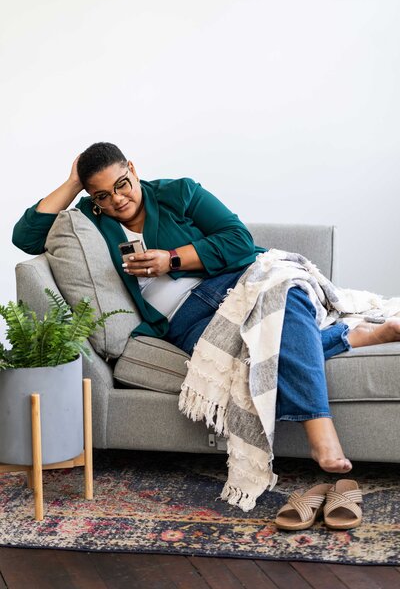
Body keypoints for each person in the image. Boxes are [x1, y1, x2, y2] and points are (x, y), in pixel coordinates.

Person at [12, 142, 400, 476]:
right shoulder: (90, 218)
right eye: (102, 195)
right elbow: (26, 236)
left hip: (234, 281)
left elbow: (240, 241)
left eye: (122, 185)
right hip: (187, 318)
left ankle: (321, 433)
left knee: (285, 292)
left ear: (132, 169)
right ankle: (347, 337)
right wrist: (74, 181)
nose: (117, 200)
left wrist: (172, 261)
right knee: (248, 358)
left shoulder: (178, 192)